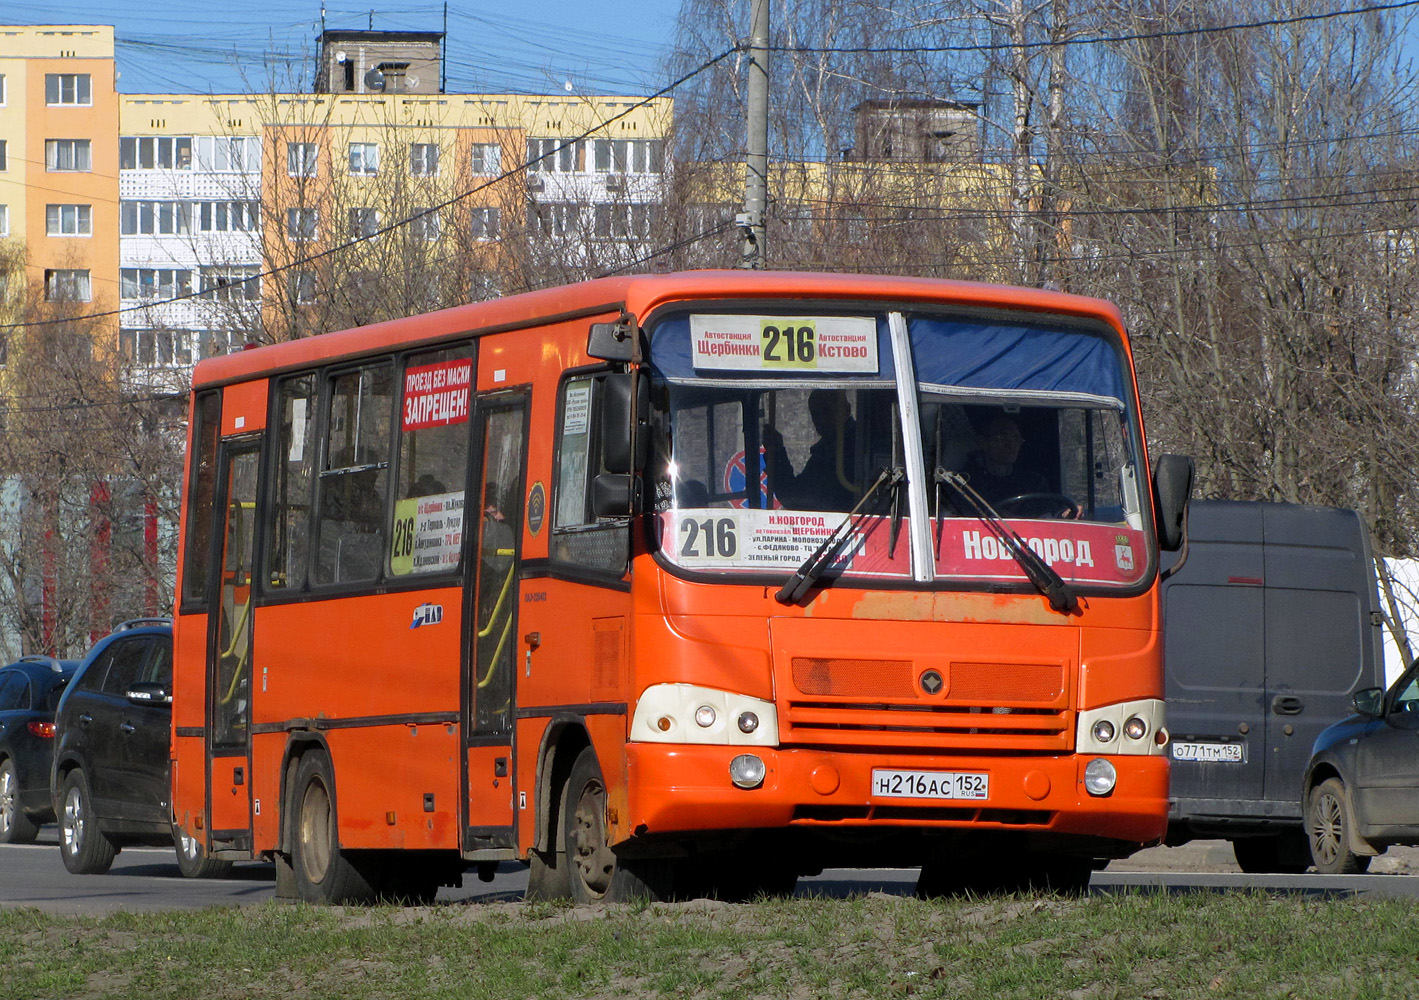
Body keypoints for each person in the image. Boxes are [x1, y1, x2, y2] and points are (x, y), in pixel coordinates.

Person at [763, 389, 857, 511]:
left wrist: (777, 454)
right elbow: (795, 496)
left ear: (847, 409)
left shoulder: (851, 448)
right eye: (815, 413)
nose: (820, 419)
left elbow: (796, 498)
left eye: (827, 411)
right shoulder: (828, 449)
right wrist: (777, 452)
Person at [963, 414, 1046, 503]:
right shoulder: (965, 482)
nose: (1010, 445)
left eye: (1015, 438)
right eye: (1001, 437)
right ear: (982, 442)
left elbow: (1048, 513)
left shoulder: (1033, 482)